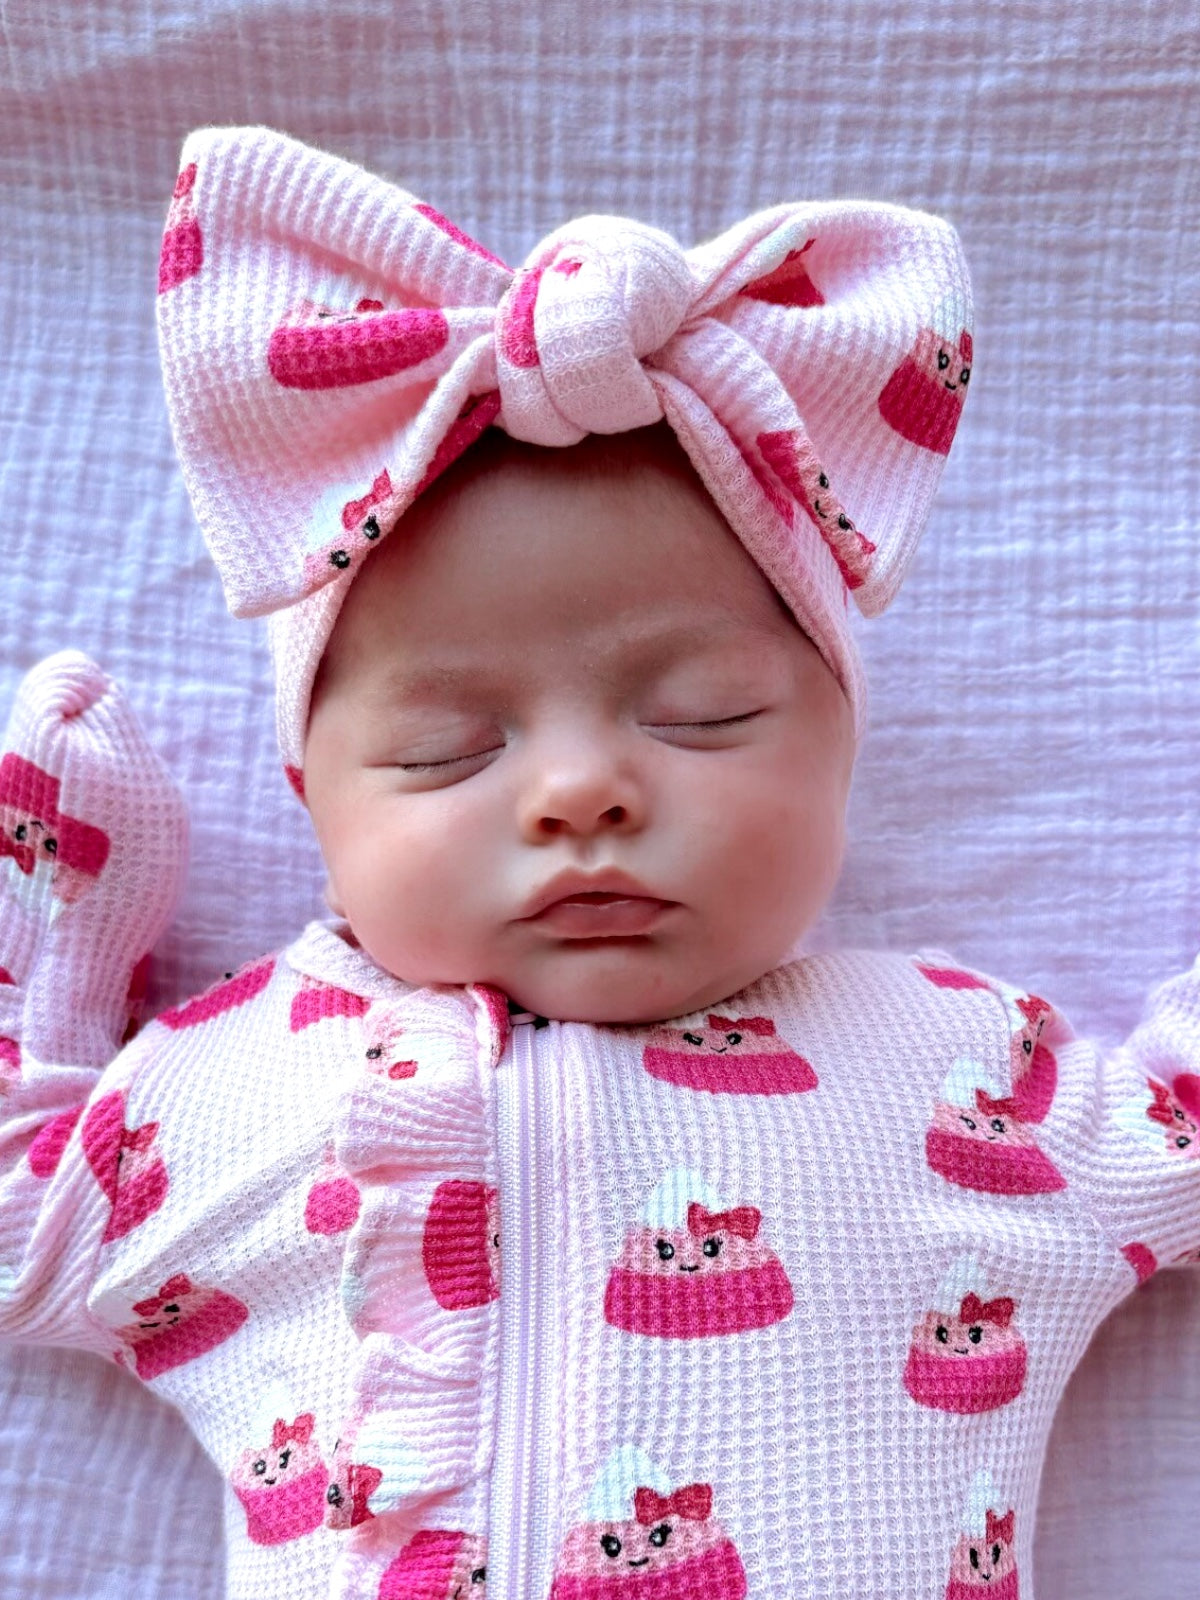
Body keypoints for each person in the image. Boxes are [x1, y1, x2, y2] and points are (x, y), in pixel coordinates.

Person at [0, 126, 1196, 1600]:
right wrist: (51, 940)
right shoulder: (234, 1085)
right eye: (445, 747)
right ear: (314, 802)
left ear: (839, 755)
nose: (582, 793)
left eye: (706, 719)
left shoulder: (958, 1068)